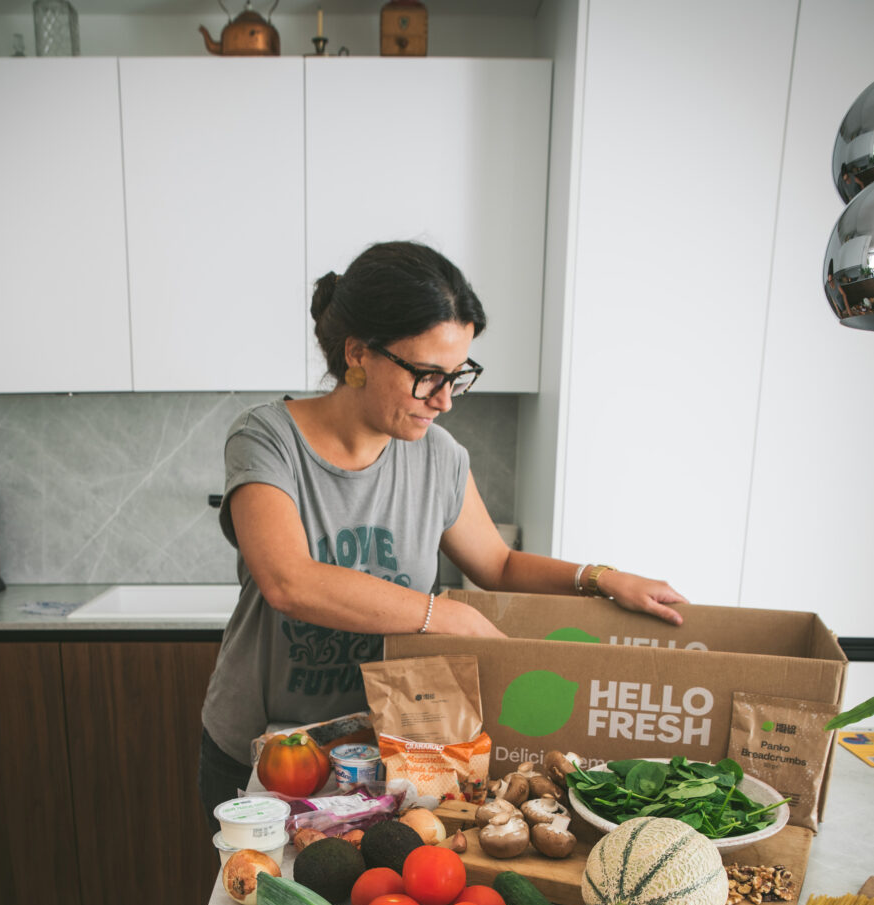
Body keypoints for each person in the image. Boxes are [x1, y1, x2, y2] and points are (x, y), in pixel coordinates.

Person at [198, 240, 686, 821]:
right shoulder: (266, 439)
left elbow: (498, 566)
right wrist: (441, 614)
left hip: (392, 753)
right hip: (270, 753)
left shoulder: (439, 457)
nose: (447, 400)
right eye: (428, 376)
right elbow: (288, 581)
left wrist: (603, 578)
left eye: (458, 376)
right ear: (358, 353)